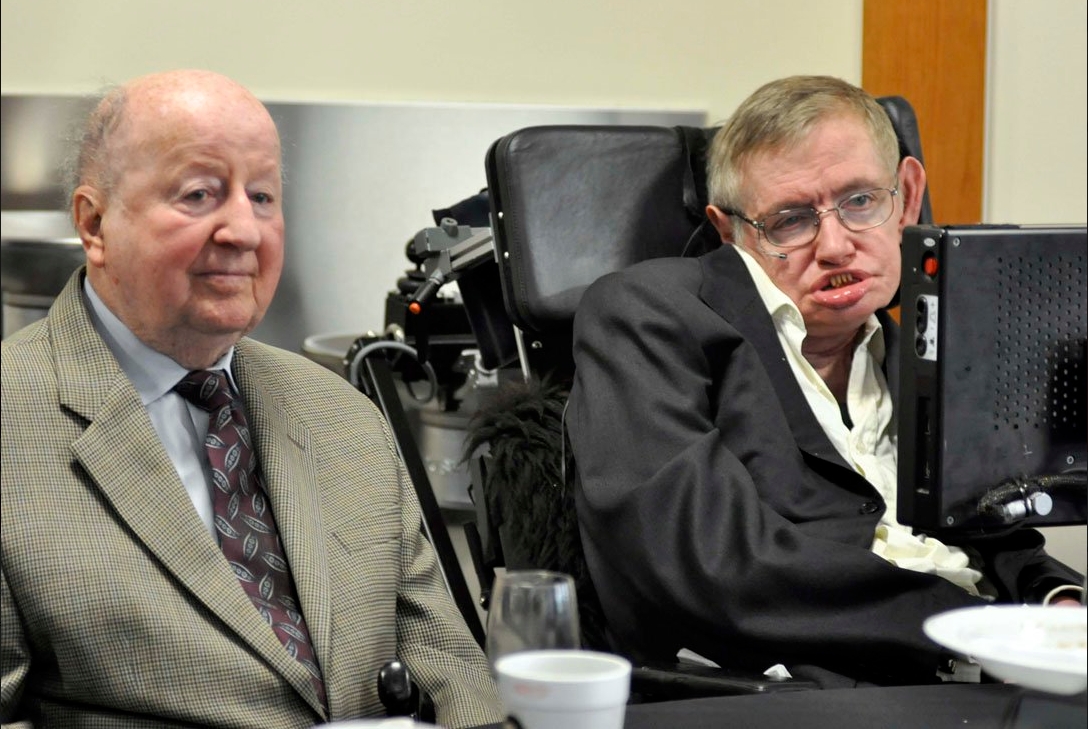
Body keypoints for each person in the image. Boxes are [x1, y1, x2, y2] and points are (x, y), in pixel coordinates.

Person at [0, 69, 502, 728]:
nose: (244, 229)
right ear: (95, 225)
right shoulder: (13, 424)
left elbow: (452, 675)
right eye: (200, 193)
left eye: (262, 196)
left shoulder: (343, 416)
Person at [565, 75, 1083, 687]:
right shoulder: (647, 315)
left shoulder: (924, 345)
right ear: (731, 234)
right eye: (790, 220)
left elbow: (988, 529)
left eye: (861, 201)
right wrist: (978, 628)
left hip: (981, 673)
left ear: (908, 197)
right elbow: (710, 567)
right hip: (792, 693)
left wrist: (1055, 601)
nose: (836, 246)